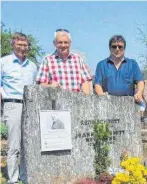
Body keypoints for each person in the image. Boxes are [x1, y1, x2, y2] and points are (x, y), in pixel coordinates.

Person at [0, 32, 37, 184]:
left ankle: (25, 176)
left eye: (25, 45)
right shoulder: (4, 62)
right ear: (13, 45)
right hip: (12, 104)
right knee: (14, 144)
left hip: (29, 106)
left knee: (27, 143)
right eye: (19, 44)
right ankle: (13, 179)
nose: (22, 47)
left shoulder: (33, 66)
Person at [36, 29, 93, 94]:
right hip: (55, 102)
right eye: (60, 42)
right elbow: (41, 85)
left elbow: (85, 82)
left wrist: (85, 99)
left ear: (70, 43)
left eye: (66, 42)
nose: (63, 45)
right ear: (54, 43)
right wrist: (50, 86)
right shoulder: (47, 61)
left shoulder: (78, 60)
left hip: (77, 102)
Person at [94, 35, 144, 104]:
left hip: (129, 104)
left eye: (120, 47)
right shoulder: (101, 65)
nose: (117, 49)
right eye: (114, 46)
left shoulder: (133, 64)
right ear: (109, 48)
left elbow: (140, 81)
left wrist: (139, 92)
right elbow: (97, 84)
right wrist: (101, 95)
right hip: (107, 103)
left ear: (124, 48)